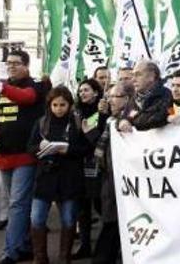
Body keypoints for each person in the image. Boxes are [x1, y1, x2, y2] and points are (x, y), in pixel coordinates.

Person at [0, 50, 51, 264]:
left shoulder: (37, 85)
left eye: (15, 63)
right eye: (8, 62)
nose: (10, 66)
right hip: (4, 156)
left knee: (17, 204)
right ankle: (25, 245)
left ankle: (10, 252)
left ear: (26, 65)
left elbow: (26, 98)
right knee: (21, 205)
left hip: (26, 156)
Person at [27, 86, 91, 264]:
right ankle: (40, 257)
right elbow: (30, 148)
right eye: (55, 105)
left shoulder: (78, 122)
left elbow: (87, 148)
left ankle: (65, 257)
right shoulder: (41, 122)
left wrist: (67, 149)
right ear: (50, 105)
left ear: (70, 105)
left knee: (69, 218)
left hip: (69, 178)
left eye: (63, 105)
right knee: (37, 218)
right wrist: (39, 147)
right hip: (45, 178)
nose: (59, 109)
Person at [93, 82, 133, 264]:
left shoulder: (132, 119)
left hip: (124, 181)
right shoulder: (110, 120)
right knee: (110, 222)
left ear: (127, 99)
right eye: (109, 97)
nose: (110, 101)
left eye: (114, 97)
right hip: (109, 177)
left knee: (112, 225)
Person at [72, 79, 105, 259]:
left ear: (96, 92)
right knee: (82, 208)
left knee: (100, 205)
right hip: (80, 162)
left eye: (86, 90)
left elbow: (101, 139)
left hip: (98, 164)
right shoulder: (76, 112)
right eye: (80, 91)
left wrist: (90, 132)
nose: (82, 93)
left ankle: (106, 245)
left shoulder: (102, 113)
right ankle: (84, 245)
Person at [118, 60, 172, 133]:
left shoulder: (166, 95)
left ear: (151, 77)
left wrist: (132, 122)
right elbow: (122, 117)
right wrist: (122, 122)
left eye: (138, 75)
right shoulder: (133, 99)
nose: (133, 79)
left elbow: (159, 119)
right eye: (133, 75)